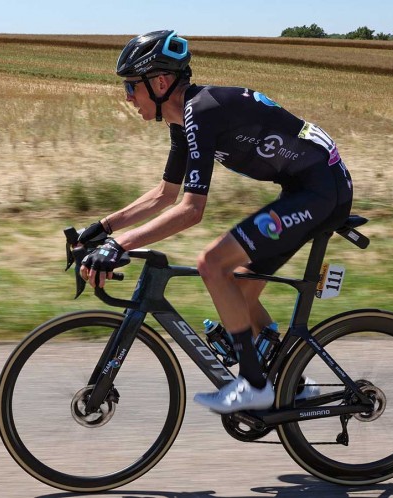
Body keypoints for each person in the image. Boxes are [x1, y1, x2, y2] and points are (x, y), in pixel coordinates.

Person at [78, 30, 353, 414]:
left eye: (130, 85)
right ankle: (292, 382)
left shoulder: (202, 111)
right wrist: (104, 229)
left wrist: (121, 245)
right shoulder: (184, 120)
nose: (126, 96)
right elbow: (164, 195)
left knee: (212, 263)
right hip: (304, 188)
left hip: (322, 190)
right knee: (237, 285)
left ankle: (255, 385)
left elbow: (192, 210)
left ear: (159, 83)